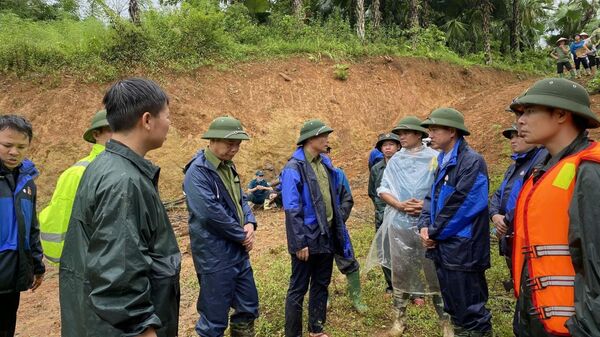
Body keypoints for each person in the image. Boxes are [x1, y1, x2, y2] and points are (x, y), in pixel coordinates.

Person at [59, 78, 181, 337]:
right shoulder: (124, 181)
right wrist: (143, 329)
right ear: (147, 120)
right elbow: (118, 274)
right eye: (167, 116)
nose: (170, 124)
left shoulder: (104, 165)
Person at [509, 78, 600, 337]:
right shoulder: (544, 168)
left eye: (529, 111)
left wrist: (586, 328)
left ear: (561, 114)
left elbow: (596, 263)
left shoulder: (589, 172)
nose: (520, 121)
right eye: (520, 113)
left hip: (574, 327)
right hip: (536, 317)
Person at [366, 116, 451, 336]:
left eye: (405, 132)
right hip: (400, 224)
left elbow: (444, 188)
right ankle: (399, 319)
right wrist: (400, 205)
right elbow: (383, 189)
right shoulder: (395, 160)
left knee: (435, 272)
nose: (400, 137)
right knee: (400, 272)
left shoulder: (436, 158)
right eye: (399, 133)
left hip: (428, 225)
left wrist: (425, 205)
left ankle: (445, 321)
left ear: (419, 134)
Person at [418, 108, 493, 337]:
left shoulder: (472, 162)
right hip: (445, 246)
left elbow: (463, 205)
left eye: (434, 129)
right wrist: (423, 225)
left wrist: (433, 232)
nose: (430, 134)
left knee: (470, 308)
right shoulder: (441, 160)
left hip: (464, 249)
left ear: (452, 131)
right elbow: (431, 196)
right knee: (453, 304)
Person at [183, 116, 259, 337]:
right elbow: (210, 214)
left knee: (247, 306)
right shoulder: (197, 172)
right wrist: (241, 235)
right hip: (214, 255)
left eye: (238, 144)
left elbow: (241, 199)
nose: (234, 149)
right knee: (214, 318)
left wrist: (250, 223)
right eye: (230, 143)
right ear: (212, 140)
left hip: (237, 251)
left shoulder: (228, 166)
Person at [281, 119, 354, 337]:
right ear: (310, 139)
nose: (327, 140)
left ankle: (316, 329)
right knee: (298, 289)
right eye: (323, 136)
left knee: (321, 283)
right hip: (307, 238)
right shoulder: (294, 168)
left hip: (327, 235)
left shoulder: (324, 164)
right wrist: (299, 242)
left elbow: (334, 197)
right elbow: (292, 209)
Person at [39, 109, 112, 265]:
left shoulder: (132, 167)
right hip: (90, 266)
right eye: (112, 129)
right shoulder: (77, 174)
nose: (120, 135)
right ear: (96, 134)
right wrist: (71, 262)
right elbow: (58, 222)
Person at [0, 115, 44, 337]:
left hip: (13, 276)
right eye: (7, 145)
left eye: (21, 146)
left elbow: (31, 227)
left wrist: (37, 265)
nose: (14, 152)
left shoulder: (27, 181)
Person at [326, 146, 368, 313]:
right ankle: (324, 297)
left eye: (327, 150)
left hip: (337, 228)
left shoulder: (338, 174)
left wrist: (339, 218)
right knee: (320, 264)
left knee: (348, 260)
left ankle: (356, 298)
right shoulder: (308, 175)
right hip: (316, 230)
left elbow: (347, 199)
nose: (324, 154)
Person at [367, 132, 401, 293]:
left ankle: (412, 288)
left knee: (404, 250)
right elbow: (373, 192)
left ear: (398, 146)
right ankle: (391, 285)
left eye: (391, 144)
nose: (387, 147)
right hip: (382, 215)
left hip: (403, 214)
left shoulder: (405, 165)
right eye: (384, 145)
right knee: (384, 250)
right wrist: (382, 211)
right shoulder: (376, 169)